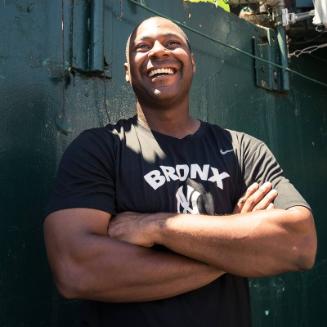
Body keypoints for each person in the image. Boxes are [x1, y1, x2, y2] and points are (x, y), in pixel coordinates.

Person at [44, 16, 317, 327]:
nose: (159, 52)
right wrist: (239, 248)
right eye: (142, 47)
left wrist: (156, 226)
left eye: (172, 43)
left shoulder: (243, 150)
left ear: (193, 63)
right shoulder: (99, 149)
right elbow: (76, 269)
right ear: (126, 71)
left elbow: (298, 245)